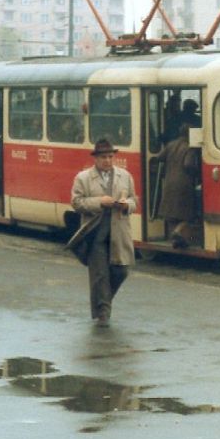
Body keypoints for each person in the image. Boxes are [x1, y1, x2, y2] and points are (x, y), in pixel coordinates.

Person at [70, 138, 138, 327]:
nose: (107, 160)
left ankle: (104, 301)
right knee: (100, 275)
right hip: (95, 232)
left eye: (110, 156)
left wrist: (127, 205)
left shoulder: (124, 176)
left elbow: (134, 199)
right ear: (95, 159)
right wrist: (99, 202)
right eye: (103, 157)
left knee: (121, 270)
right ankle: (103, 314)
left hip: (119, 232)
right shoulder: (83, 178)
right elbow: (76, 202)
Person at [158, 124, 200, 247]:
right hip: (184, 184)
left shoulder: (171, 144)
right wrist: (196, 172)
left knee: (172, 214)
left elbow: (160, 157)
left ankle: (176, 240)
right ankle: (177, 233)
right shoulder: (189, 147)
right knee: (188, 214)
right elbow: (188, 164)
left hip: (169, 182)